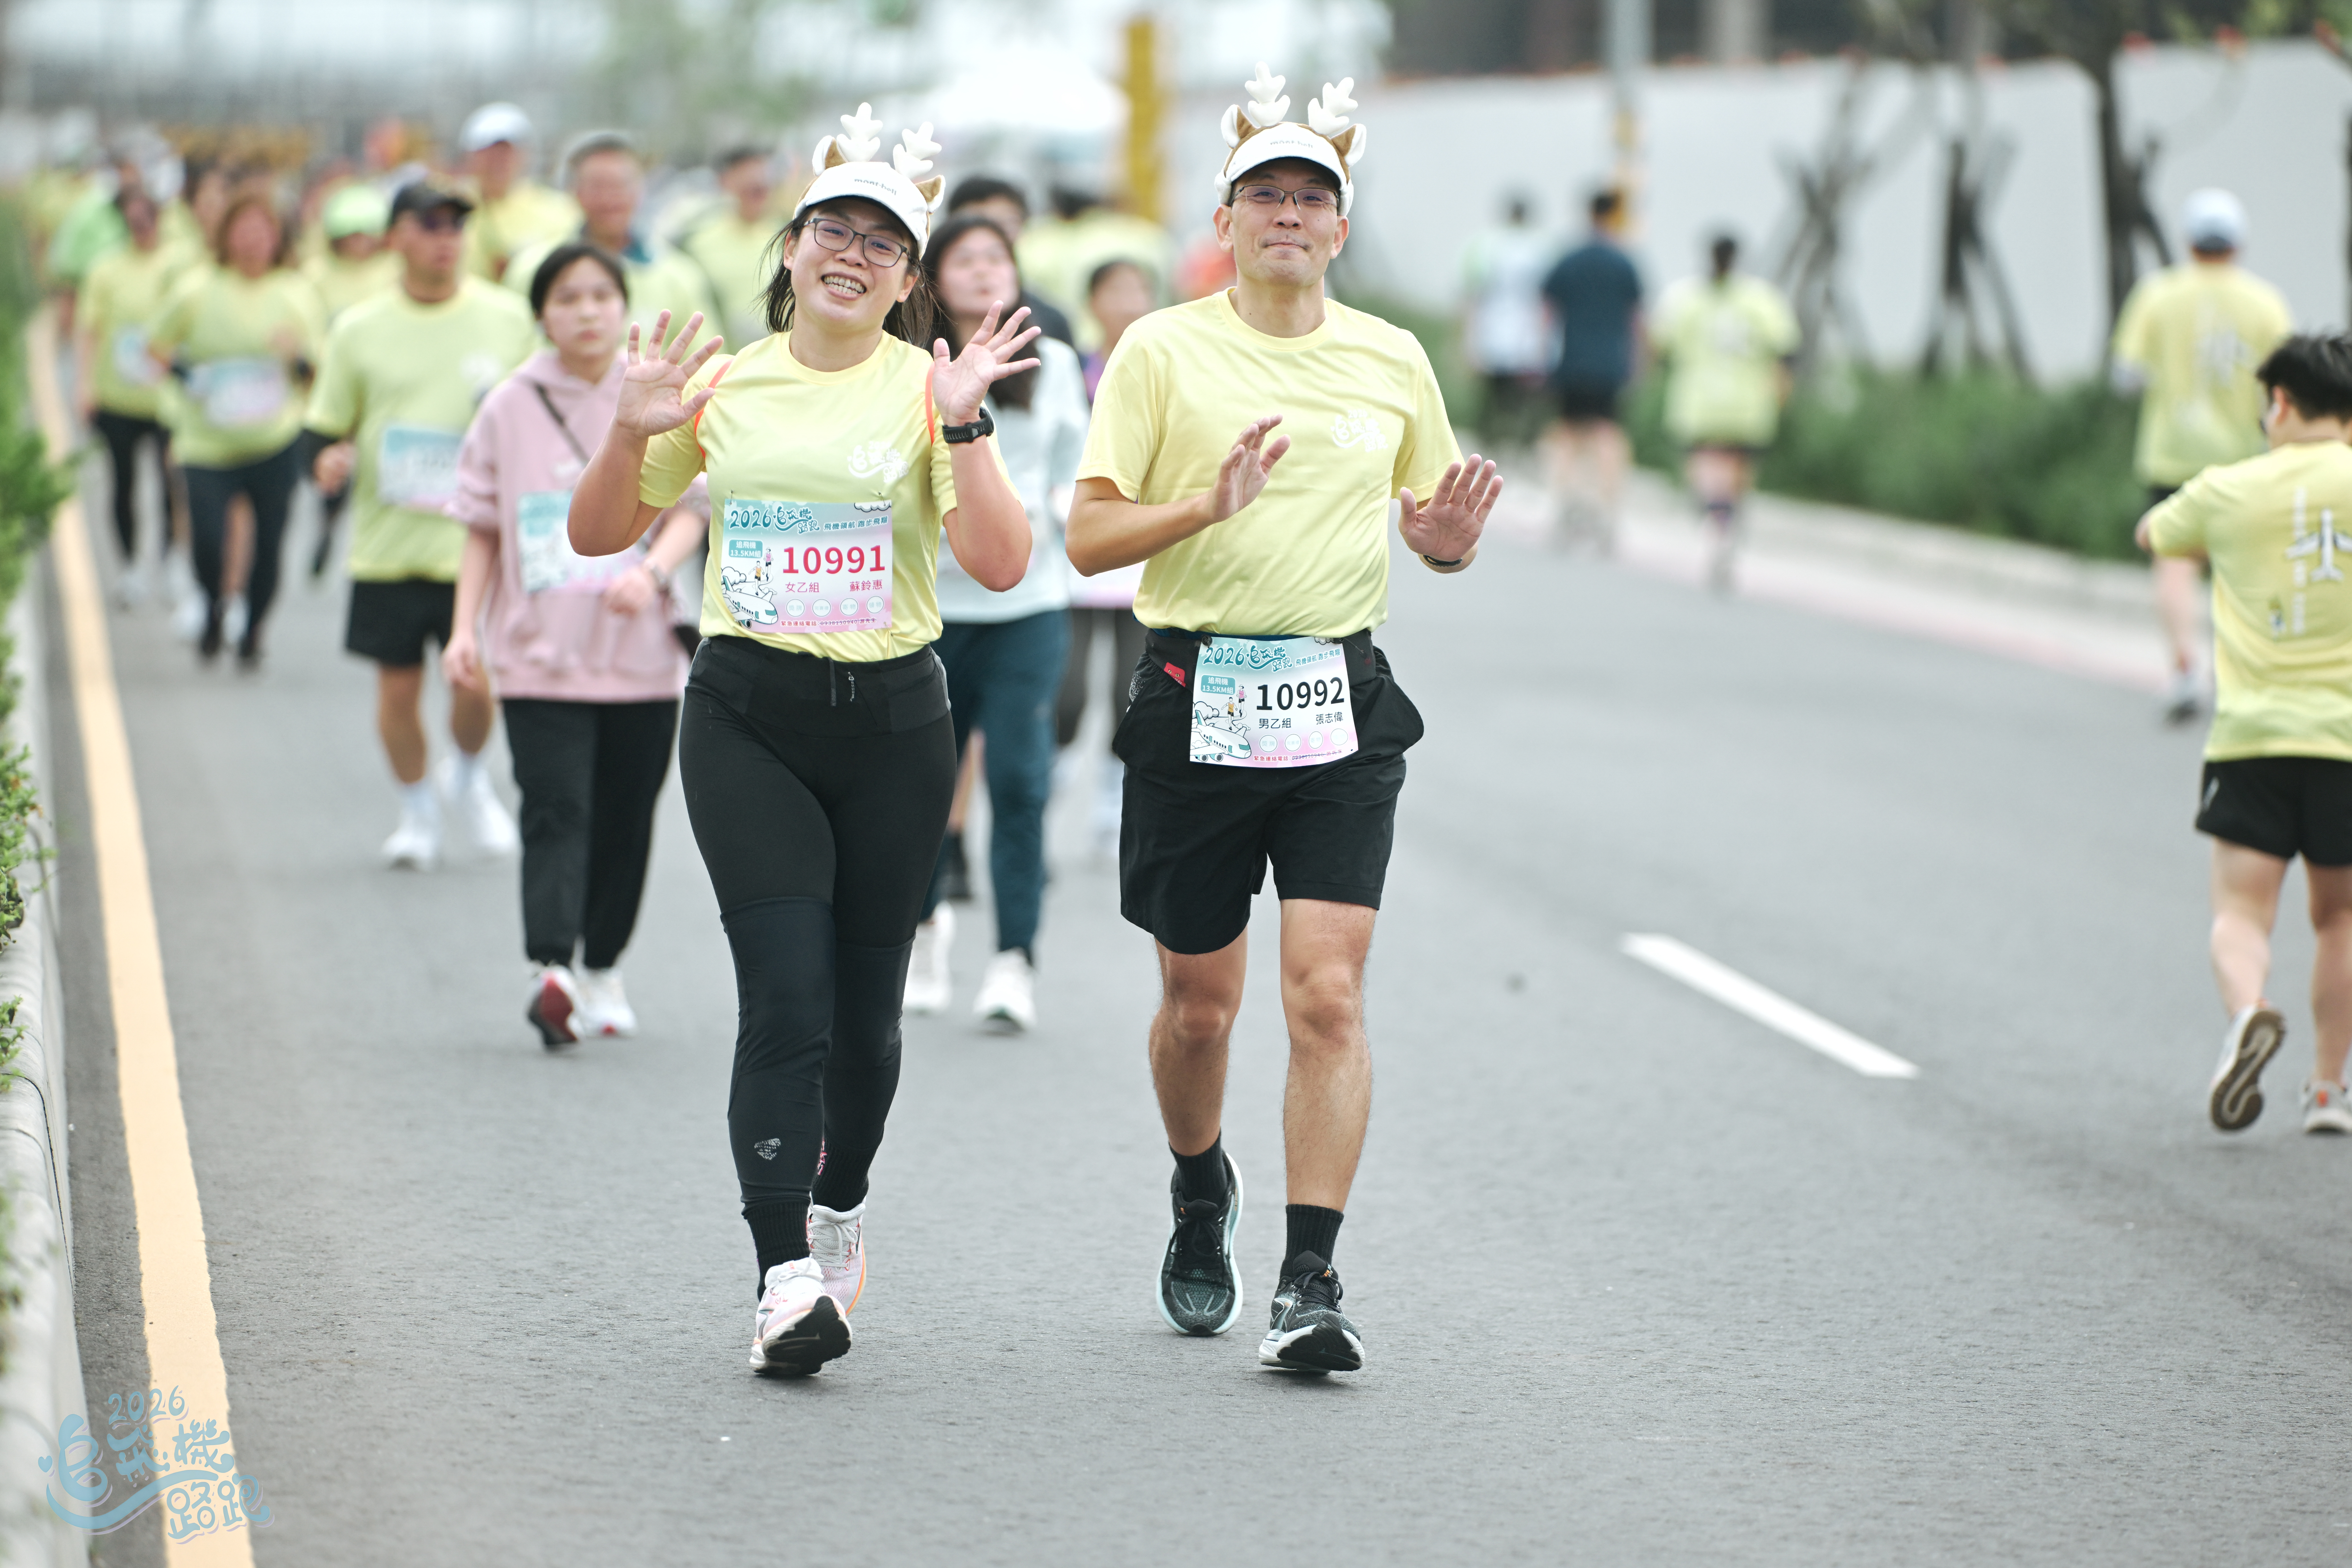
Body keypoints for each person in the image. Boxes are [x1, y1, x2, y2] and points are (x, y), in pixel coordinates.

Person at [565, 106, 1039, 1376]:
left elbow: (1000, 563)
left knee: (869, 1025)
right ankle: (780, 1274)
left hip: (893, 727)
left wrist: (966, 425)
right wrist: (629, 423)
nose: (856, 253)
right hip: (747, 715)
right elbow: (601, 532)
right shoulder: (722, 383)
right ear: (790, 248)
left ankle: (839, 1199)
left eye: (886, 242)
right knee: (786, 997)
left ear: (910, 277)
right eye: (836, 228)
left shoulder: (927, 390)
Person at [1065, 66, 1499, 1374]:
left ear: (1339, 225)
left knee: (1326, 998)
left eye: (1312, 196)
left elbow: (1431, 530)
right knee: (1200, 1009)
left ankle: (1309, 1278)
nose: (1289, 216)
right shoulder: (1162, 350)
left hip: (1333, 705)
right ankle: (1201, 1185)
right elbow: (1086, 535)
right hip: (1197, 694)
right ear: (1228, 217)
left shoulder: (1389, 358)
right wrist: (1201, 505)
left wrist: (1442, 543)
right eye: (1266, 193)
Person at [445, 244, 703, 1047]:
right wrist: (464, 631)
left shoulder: (660, 393)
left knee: (627, 819)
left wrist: (654, 573)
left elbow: (695, 506)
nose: (587, 311)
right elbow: (483, 529)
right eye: (567, 298)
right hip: (538, 655)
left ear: (623, 305)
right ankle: (551, 969)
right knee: (555, 809)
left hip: (641, 658)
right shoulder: (508, 405)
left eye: (601, 295)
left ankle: (604, 969)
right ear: (541, 315)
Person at [2138, 334, 2352, 1138]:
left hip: (2254, 738)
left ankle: (2250, 1014)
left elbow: (2154, 536)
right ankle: (2329, 1091)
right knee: (2340, 920)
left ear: (2284, 403)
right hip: (2347, 742)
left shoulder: (2229, 488)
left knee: (2240, 911)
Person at [304, 179, 540, 868]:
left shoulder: (505, 318)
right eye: (431, 224)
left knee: (474, 683)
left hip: (478, 543)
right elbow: (322, 429)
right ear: (397, 236)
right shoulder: (359, 329)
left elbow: (537, 413)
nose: (446, 238)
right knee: (398, 691)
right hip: (388, 543)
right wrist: (326, 462)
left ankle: (467, 779)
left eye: (457, 226)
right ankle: (416, 813)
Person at [901, 213, 1088, 1030]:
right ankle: (925, 932)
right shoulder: (909, 367)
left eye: (997, 259)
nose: (984, 272)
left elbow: (1076, 467)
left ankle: (1016, 959)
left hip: (1027, 607)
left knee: (1019, 779)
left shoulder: (1050, 367)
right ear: (934, 281)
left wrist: (1051, 511)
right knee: (924, 787)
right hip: (931, 609)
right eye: (965, 260)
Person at [2114, 188, 2293, 726]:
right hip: (2242, 456)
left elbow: (2125, 375)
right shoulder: (2265, 303)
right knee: (2239, 567)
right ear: (2238, 243)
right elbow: (2288, 385)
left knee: (2174, 560)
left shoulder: (2159, 295)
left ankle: (2184, 666)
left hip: (2171, 452)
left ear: (2187, 240)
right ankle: (2240, 673)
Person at [146, 192, 324, 666]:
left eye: (262, 232)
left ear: (278, 238)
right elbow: (157, 347)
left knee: (270, 546)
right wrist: (193, 378)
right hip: (207, 442)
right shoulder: (197, 289)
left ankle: (254, 630)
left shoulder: (296, 293)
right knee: (207, 538)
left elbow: (320, 372)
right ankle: (213, 605)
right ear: (225, 237)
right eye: (242, 231)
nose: (252, 242)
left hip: (274, 440)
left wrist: (298, 357)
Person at [1059, 255, 1155, 856]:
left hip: (1141, 547)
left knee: (1130, 684)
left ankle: (1113, 795)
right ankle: (1055, 770)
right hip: (1077, 543)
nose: (1127, 302)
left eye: (1138, 290)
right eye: (1115, 291)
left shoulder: (1160, 366)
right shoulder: (1070, 370)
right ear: (1092, 303)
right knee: (1067, 688)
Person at [1653, 231, 1798, 594]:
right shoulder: (1761, 299)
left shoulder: (1686, 298)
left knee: (1707, 466)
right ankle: (1729, 521)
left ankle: (1717, 526)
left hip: (1701, 401)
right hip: (1749, 403)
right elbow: (1786, 350)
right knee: (1738, 469)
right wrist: (1782, 394)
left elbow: (1660, 344)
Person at [75, 182, 189, 605]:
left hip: (166, 400)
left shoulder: (180, 266)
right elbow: (90, 330)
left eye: (147, 217)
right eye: (132, 218)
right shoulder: (106, 268)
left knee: (172, 484)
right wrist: (83, 385)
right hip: (118, 396)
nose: (140, 226)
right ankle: (130, 567)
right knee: (123, 484)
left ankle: (173, 561)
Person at [505, 132, 720, 344]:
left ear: (641, 190)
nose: (609, 198)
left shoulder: (679, 277)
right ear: (574, 191)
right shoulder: (533, 269)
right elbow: (513, 349)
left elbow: (706, 364)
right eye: (597, 186)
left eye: (620, 185)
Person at [302, 183, 402, 577]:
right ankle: (328, 521)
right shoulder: (316, 277)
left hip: (382, 384)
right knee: (333, 465)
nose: (361, 243)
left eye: (368, 234)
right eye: (352, 235)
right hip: (331, 382)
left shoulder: (391, 271)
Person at [1539, 187, 1645, 551]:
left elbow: (1547, 311)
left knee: (1566, 433)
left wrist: (1543, 356)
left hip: (1572, 360)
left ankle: (1563, 502)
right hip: (1610, 364)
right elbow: (1637, 320)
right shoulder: (1625, 262)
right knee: (1608, 435)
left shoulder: (1570, 259)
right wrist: (1637, 363)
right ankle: (1607, 509)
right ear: (1615, 215)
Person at [1460, 192, 1552, 452]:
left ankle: (1487, 443)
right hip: (1528, 333)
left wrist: (1467, 339)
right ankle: (1523, 445)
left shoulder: (1488, 245)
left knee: (1491, 396)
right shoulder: (1542, 249)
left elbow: (1473, 294)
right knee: (1526, 396)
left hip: (1492, 331)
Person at [943, 176, 1075, 351]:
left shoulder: (1051, 323)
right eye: (977, 223)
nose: (991, 235)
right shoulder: (911, 323)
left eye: (1004, 224)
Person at [458, 102, 580, 284]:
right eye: (489, 152)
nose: (499, 161)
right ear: (470, 155)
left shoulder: (559, 209)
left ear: (525, 155)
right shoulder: (446, 205)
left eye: (507, 152)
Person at [680, 147, 782, 349]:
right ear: (725, 182)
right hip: (722, 368)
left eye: (762, 185)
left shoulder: (788, 237)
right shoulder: (697, 244)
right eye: (750, 185)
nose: (759, 184)